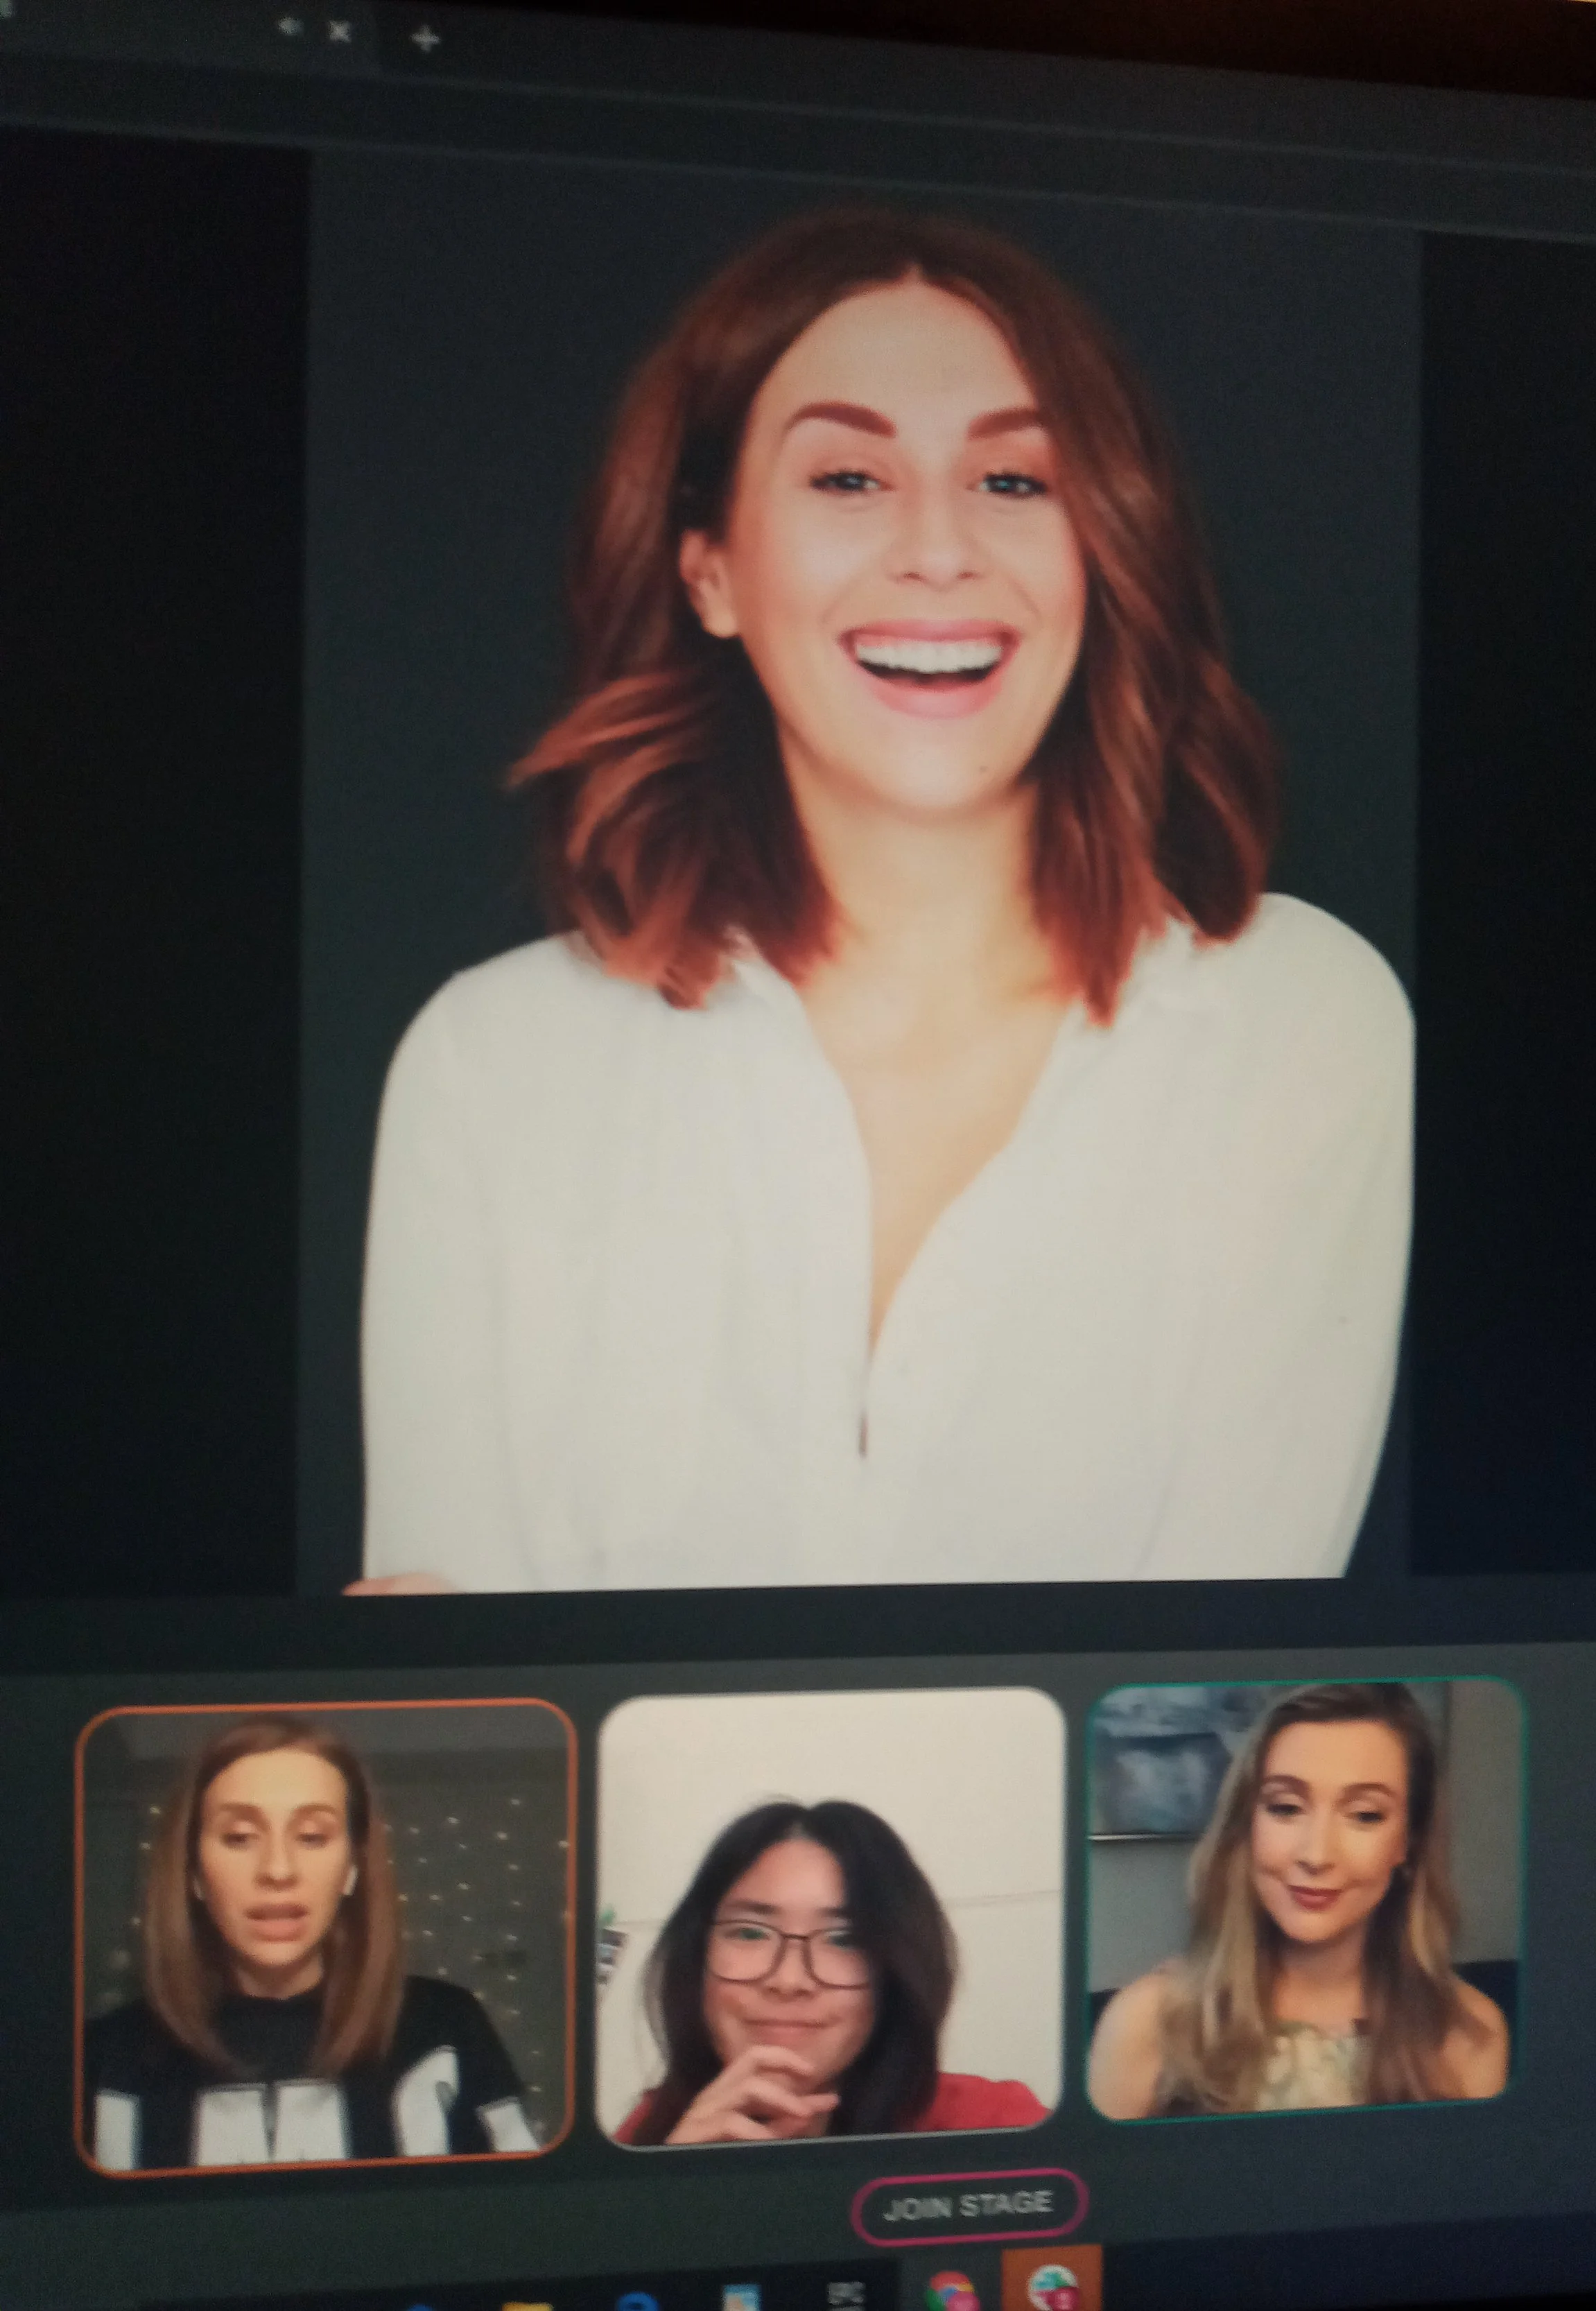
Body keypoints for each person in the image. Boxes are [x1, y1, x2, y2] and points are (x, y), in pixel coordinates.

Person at [354, 205, 1412, 1595]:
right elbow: (469, 1738)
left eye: (1016, 482)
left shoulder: (1301, 1022)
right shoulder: (489, 1066)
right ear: (712, 572)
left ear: (1104, 556)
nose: (937, 551)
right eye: (847, 479)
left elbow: (1200, 1698)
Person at [83, 1715, 539, 2171]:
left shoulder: (444, 2029)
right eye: (240, 1837)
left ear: (352, 1867)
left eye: (312, 1836)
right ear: (194, 1872)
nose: (279, 1870)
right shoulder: (105, 2059)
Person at [1088, 1684, 1509, 2118]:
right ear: (1247, 1824)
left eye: (1365, 1815)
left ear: (1408, 1843)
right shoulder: (1147, 2023)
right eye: (1286, 1808)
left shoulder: (1471, 2034)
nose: (1316, 1856)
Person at [611, 1799, 1046, 2143]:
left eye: (844, 1940)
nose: (789, 1981)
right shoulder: (652, 2134)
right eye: (750, 1933)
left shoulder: (996, 2126)